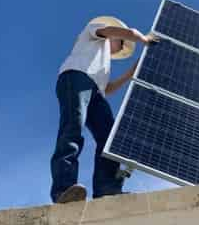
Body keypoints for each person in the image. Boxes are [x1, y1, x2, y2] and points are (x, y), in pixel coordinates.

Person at [50, 15, 158, 203]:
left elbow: (107, 89)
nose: (122, 48)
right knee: (73, 127)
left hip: (94, 89)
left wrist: (131, 72)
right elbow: (112, 31)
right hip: (75, 77)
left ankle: (106, 189)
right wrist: (141, 38)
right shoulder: (94, 30)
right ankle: (63, 189)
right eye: (122, 43)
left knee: (109, 137)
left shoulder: (103, 64)